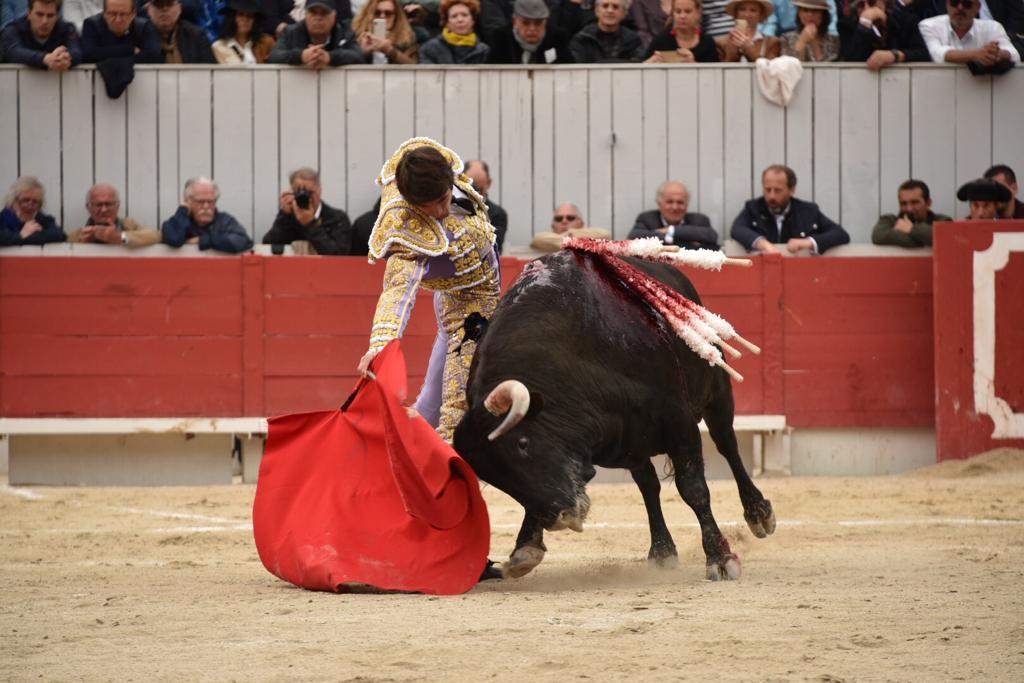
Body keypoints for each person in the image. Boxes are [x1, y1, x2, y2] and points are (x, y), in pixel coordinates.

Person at [357, 138, 501, 444]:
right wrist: (380, 345)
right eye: (429, 207)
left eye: (444, 199)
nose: (440, 211)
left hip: (460, 296)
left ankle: (402, 460)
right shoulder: (407, 230)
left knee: (431, 404)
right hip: (469, 309)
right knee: (455, 410)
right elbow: (398, 291)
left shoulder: (434, 168)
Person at [730, 164, 849, 254]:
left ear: (792, 190)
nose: (772, 196)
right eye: (767, 189)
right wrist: (763, 243)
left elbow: (840, 234)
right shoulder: (753, 207)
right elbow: (738, 229)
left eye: (778, 190)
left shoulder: (808, 211)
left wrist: (808, 242)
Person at [262, 167, 354, 255]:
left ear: (319, 190)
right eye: (299, 192)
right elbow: (267, 246)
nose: (306, 197)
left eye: (310, 193)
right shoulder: (288, 217)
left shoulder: (337, 218)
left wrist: (310, 224)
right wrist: (284, 215)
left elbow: (338, 255)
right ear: (291, 191)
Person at [918, 0, 1020, 72]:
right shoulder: (928, 25)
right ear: (947, 4)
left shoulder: (993, 27)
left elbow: (1014, 54)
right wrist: (976, 55)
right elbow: (936, 54)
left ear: (978, 7)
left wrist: (998, 54)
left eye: (967, 4)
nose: (960, 8)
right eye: (954, 2)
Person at [161, 176, 253, 253]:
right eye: (200, 201)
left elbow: (242, 241)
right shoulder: (177, 222)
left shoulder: (225, 221)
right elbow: (174, 238)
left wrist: (202, 240)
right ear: (187, 201)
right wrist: (183, 210)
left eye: (210, 201)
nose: (206, 206)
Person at [268, 0, 363, 67]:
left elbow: (359, 56)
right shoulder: (290, 32)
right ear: (305, 14)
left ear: (334, 15)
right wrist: (301, 56)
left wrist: (330, 57)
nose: (318, 18)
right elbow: (275, 56)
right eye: (313, 12)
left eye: (324, 13)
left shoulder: (345, 32)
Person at [838, 0, 928, 70]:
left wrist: (895, 55)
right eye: (860, 5)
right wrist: (864, 25)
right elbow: (851, 61)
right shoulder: (847, 25)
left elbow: (923, 54)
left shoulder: (905, 20)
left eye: (872, 2)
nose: (867, 9)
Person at [627, 180, 719, 249]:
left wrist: (671, 230)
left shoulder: (699, 220)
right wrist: (683, 240)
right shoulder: (646, 219)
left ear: (686, 205)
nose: (675, 207)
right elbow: (633, 239)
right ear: (659, 204)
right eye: (669, 202)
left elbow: (712, 238)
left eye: (680, 202)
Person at [67, 183, 162, 247]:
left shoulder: (129, 225)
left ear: (118, 206)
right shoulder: (77, 235)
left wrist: (119, 237)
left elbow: (157, 236)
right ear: (88, 207)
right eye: (98, 205)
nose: (103, 210)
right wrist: (84, 244)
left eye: (108, 204)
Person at [1, 0, 82, 69]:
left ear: (57, 16)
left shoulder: (67, 28)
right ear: (29, 13)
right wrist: (44, 59)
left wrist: (65, 57)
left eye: (50, 16)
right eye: (39, 14)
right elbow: (12, 52)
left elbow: (77, 52)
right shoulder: (13, 29)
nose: (44, 21)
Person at [870, 179, 951, 248]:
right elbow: (878, 236)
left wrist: (911, 229)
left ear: (928, 203)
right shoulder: (889, 220)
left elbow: (947, 239)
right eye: (904, 203)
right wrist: (924, 239)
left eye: (915, 202)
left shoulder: (942, 220)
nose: (909, 209)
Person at [487, 0, 571, 64]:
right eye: (525, 23)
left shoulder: (557, 38)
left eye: (538, 23)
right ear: (514, 21)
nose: (532, 29)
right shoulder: (501, 38)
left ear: (545, 22)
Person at [80, 0, 162, 64]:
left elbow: (153, 56)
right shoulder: (92, 24)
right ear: (103, 13)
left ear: (133, 14)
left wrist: (105, 54)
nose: (118, 20)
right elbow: (88, 55)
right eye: (112, 14)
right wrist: (129, 50)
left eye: (123, 14)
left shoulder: (143, 26)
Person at [643, 0, 719, 62]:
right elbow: (642, 72)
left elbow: (715, 76)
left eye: (688, 11)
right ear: (672, 14)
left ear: (698, 14)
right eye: (678, 11)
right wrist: (649, 63)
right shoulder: (660, 41)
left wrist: (693, 65)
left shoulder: (707, 42)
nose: (682, 16)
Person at [569, 0, 643, 63]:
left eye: (615, 7)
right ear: (596, 11)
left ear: (624, 13)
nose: (610, 11)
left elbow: (637, 64)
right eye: (605, 6)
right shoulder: (582, 38)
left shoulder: (632, 39)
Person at [1, 176, 66, 246]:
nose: (30, 206)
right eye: (25, 200)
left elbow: (59, 235)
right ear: (14, 201)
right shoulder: (3, 218)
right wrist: (20, 235)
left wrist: (25, 237)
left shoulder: (43, 220)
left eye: (35, 202)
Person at [419, 0, 490, 63]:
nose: (460, 20)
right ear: (447, 22)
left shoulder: (484, 50)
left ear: (473, 20)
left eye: (464, 15)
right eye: (454, 16)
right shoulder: (429, 49)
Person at [146, 0, 216, 63]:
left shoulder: (197, 36)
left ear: (179, 8)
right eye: (159, 5)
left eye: (169, 4)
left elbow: (209, 72)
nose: (165, 9)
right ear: (148, 10)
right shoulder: (141, 36)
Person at [352, 0, 419, 63]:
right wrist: (363, 53)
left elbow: (414, 67)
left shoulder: (407, 37)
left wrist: (390, 51)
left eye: (388, 13)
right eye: (377, 12)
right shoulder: (356, 34)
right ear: (369, 14)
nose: (382, 16)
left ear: (396, 16)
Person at [463, 159, 508, 252]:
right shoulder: (450, 208)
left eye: (479, 190)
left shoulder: (498, 214)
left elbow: (495, 246)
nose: (475, 194)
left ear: (489, 183)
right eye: (471, 189)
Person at [211, 0, 276, 63]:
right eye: (240, 15)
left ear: (255, 21)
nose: (245, 19)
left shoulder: (266, 42)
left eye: (250, 16)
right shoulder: (219, 46)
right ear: (232, 18)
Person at [530, 202, 612, 252]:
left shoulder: (594, 233)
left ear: (581, 224)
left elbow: (605, 235)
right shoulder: (543, 239)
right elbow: (537, 239)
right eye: (559, 219)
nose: (564, 221)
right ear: (553, 226)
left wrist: (570, 233)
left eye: (570, 218)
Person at [715, 0, 780, 61]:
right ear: (736, 13)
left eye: (753, 10)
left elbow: (770, 70)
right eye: (742, 9)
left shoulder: (772, 42)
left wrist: (750, 51)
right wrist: (732, 51)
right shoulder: (721, 43)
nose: (747, 15)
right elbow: (718, 71)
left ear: (761, 15)